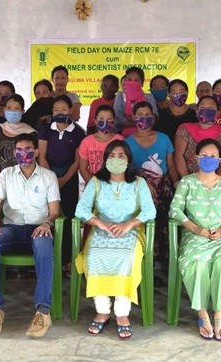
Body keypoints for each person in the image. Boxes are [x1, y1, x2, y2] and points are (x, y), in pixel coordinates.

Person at [0, 133, 61, 338]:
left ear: (36, 151)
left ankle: (43, 311)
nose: (22, 154)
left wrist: (47, 223)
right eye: (18, 150)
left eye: (27, 150)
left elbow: (54, 211)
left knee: (44, 244)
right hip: (11, 229)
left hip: (38, 228)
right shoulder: (6, 174)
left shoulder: (48, 176)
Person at [75, 140, 155, 341]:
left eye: (121, 156)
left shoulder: (138, 183)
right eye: (112, 156)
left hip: (130, 233)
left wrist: (129, 225)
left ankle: (122, 314)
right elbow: (81, 209)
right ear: (105, 159)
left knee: (125, 259)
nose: (116, 159)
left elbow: (150, 211)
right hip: (102, 231)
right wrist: (100, 224)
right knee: (94, 257)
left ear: (128, 160)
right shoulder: (96, 182)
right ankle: (102, 311)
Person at [168, 139, 221, 341]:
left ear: (220, 160)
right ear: (196, 158)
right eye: (204, 155)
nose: (208, 159)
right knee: (198, 263)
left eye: (213, 156)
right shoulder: (187, 182)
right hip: (194, 237)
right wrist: (195, 228)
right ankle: (202, 314)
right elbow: (174, 209)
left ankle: (219, 315)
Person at [125, 101, 178, 264]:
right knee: (147, 223)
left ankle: (165, 260)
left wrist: (176, 181)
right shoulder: (128, 142)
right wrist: (143, 185)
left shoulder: (164, 138)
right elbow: (128, 170)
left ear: (153, 118)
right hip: (141, 189)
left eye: (147, 115)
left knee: (166, 222)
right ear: (134, 118)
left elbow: (170, 165)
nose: (144, 118)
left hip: (164, 188)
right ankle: (147, 262)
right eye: (140, 115)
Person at [38, 95, 85, 264]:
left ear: (71, 110)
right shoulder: (45, 129)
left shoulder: (79, 132)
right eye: (56, 110)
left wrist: (64, 179)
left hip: (69, 178)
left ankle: (66, 261)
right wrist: (51, 179)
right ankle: (46, 259)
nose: (59, 113)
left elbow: (77, 161)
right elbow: (41, 156)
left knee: (68, 217)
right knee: (48, 215)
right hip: (47, 176)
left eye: (63, 109)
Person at [174, 96, 221, 178]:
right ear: (196, 110)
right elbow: (178, 155)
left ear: (217, 112)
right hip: (189, 184)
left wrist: (212, 181)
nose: (206, 110)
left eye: (211, 107)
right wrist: (189, 181)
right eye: (202, 107)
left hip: (215, 185)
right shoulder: (185, 130)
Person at [0, 94, 37, 180]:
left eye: (16, 109)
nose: (12, 111)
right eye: (9, 108)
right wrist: (0, 182)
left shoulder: (30, 133)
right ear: (4, 109)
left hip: (24, 182)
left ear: (22, 111)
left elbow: (34, 159)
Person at [79, 105, 125, 183]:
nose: (105, 122)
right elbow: (83, 169)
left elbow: (125, 166)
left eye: (109, 119)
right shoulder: (87, 142)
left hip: (116, 187)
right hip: (93, 188)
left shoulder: (120, 140)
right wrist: (94, 187)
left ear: (113, 120)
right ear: (95, 120)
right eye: (101, 119)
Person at [114, 66, 159, 137]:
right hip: (123, 137)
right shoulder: (120, 96)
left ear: (142, 83)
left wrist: (128, 117)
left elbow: (153, 118)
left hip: (146, 136)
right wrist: (141, 122)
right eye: (129, 79)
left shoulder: (149, 97)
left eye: (136, 80)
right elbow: (118, 119)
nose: (132, 82)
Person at [154, 79, 197, 144]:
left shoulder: (194, 114)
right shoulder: (161, 114)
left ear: (187, 92)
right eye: (174, 92)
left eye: (181, 92)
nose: (178, 95)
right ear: (169, 95)